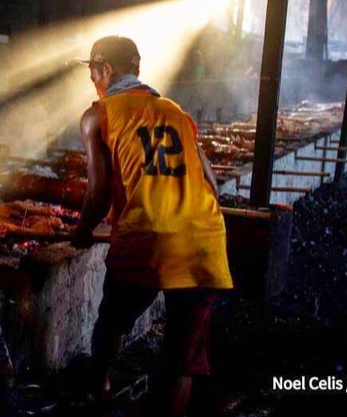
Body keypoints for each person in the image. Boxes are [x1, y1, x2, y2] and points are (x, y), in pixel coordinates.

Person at [73, 36, 233, 416]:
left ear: (106, 70)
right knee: (180, 360)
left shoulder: (98, 114)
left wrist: (79, 234)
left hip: (146, 238)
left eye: (93, 71)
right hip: (204, 241)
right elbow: (209, 180)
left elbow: (96, 195)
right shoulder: (175, 111)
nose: (92, 79)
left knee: (111, 323)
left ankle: (100, 391)